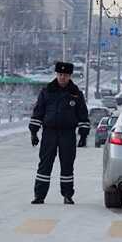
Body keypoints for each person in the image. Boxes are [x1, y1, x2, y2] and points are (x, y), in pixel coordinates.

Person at [29, 62, 91, 205]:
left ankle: (67, 195)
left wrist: (83, 135)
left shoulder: (76, 94)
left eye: (66, 75)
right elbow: (38, 112)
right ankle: (39, 195)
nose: (63, 77)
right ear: (56, 74)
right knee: (45, 165)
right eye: (60, 75)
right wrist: (34, 132)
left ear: (70, 76)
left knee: (67, 165)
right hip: (49, 133)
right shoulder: (47, 91)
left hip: (68, 134)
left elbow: (83, 115)